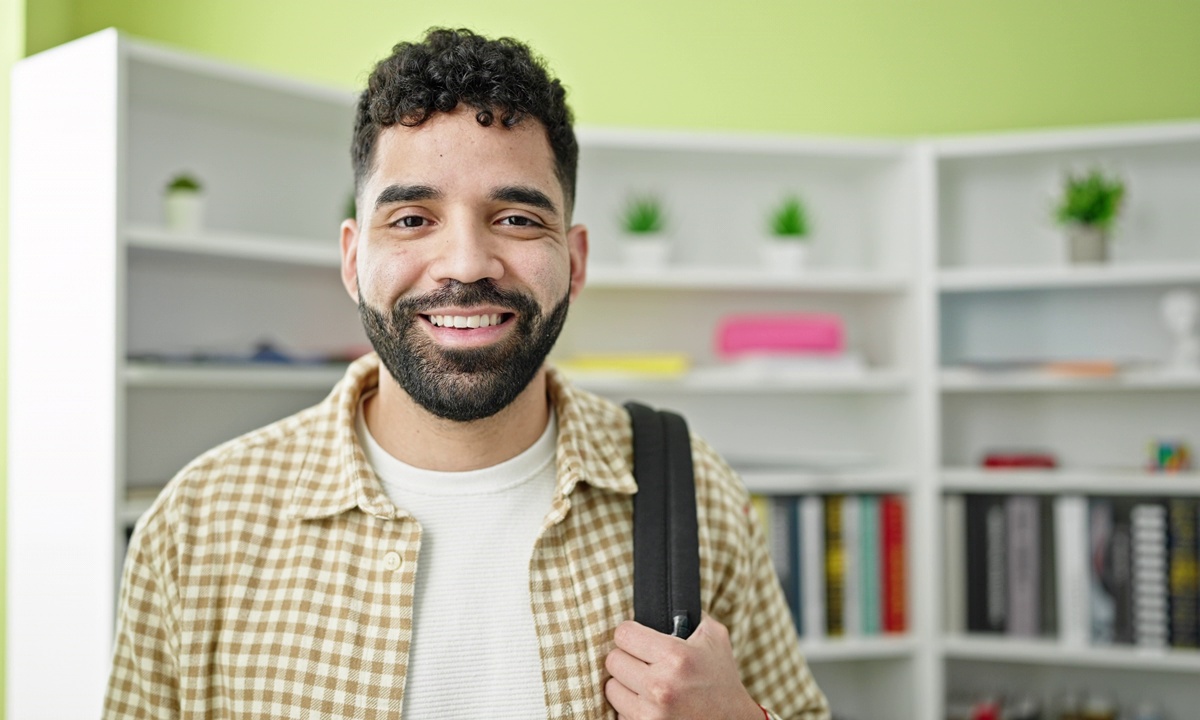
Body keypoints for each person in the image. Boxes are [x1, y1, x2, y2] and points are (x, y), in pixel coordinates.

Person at [104, 28, 829, 720]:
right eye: (413, 219)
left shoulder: (694, 495)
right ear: (354, 260)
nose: (465, 263)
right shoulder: (196, 526)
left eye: (515, 218)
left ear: (574, 262)